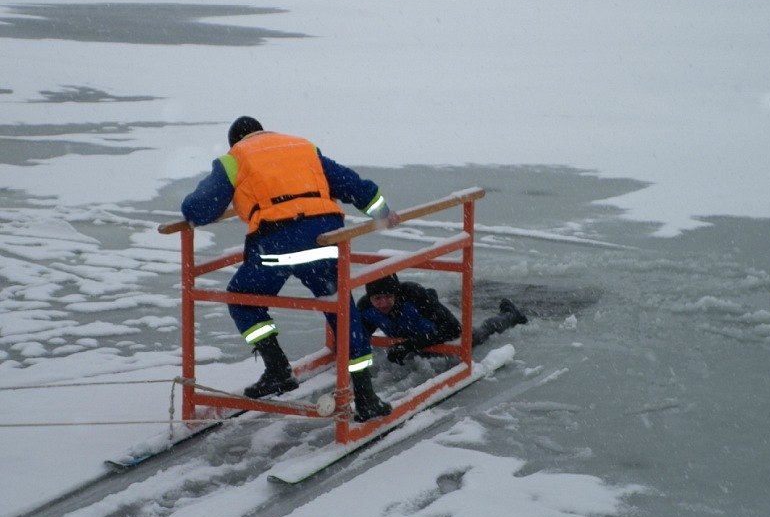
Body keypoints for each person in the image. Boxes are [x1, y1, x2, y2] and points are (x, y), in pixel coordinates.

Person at [181, 116, 400, 422]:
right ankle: (366, 398)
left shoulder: (235, 159)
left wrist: (209, 203)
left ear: (236, 141)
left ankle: (278, 370)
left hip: (276, 247)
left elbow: (199, 209)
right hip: (325, 240)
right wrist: (381, 211)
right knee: (339, 306)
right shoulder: (302, 147)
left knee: (242, 298)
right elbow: (350, 183)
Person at [357, 273, 527, 364]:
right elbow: (358, 336)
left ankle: (510, 315)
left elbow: (453, 330)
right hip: (412, 335)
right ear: (369, 298)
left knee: (481, 333)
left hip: (440, 338)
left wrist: (409, 345)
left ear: (396, 293)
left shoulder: (413, 296)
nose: (383, 303)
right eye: (377, 299)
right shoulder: (365, 307)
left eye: (388, 296)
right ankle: (432, 298)